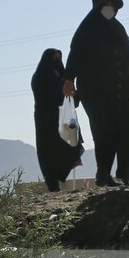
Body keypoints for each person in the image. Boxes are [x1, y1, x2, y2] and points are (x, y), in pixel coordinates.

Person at [63, 0, 129, 187]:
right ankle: (103, 174)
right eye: (107, 5)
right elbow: (75, 55)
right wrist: (69, 79)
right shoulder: (87, 29)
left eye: (113, 5)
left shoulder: (118, 29)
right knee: (104, 131)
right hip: (95, 91)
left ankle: (125, 173)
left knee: (125, 131)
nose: (110, 9)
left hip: (121, 90)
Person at [31, 49, 82, 191]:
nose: (57, 63)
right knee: (48, 151)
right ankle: (52, 185)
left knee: (70, 145)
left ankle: (60, 177)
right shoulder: (39, 77)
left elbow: (71, 97)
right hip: (46, 119)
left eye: (59, 59)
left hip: (64, 118)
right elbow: (47, 97)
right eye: (54, 59)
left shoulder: (63, 77)